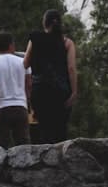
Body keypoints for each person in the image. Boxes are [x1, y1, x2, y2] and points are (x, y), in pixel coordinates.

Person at [24, 9, 78, 143]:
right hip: (60, 91)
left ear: (44, 23)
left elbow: (25, 63)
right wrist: (74, 92)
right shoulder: (67, 43)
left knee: (42, 129)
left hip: (39, 90)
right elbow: (71, 68)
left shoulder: (35, 38)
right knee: (60, 130)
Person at [0, 32, 31, 149]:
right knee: (23, 146)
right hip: (20, 106)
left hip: (1, 108)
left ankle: (0, 167)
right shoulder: (23, 63)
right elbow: (28, 85)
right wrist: (28, 104)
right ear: (11, 45)